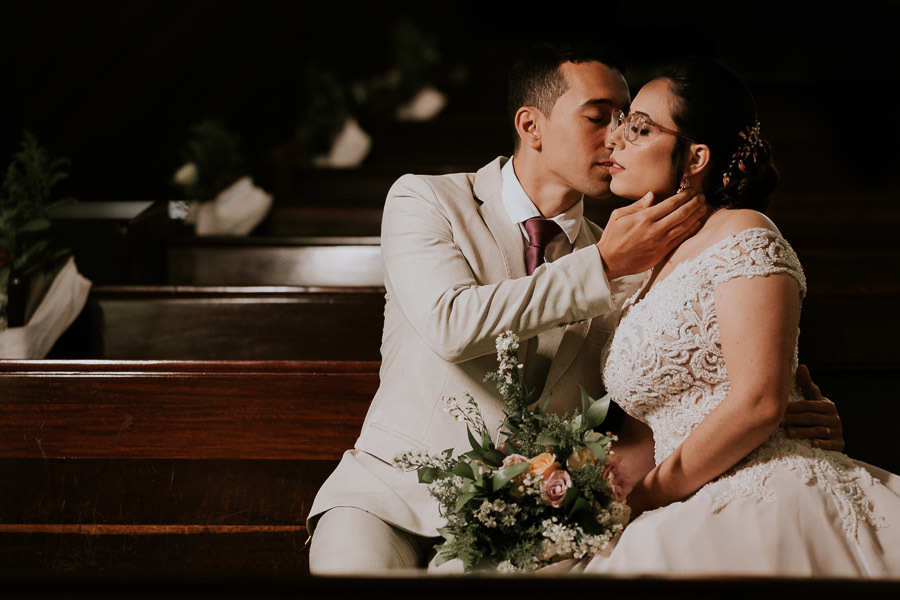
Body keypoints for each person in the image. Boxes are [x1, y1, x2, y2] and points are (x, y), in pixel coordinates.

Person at [306, 43, 844, 575]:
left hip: (528, 520)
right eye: (598, 117)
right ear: (530, 125)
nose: (615, 136)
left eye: (630, 121)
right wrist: (603, 265)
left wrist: (788, 418)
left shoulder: (635, 256)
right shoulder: (428, 202)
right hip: (390, 499)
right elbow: (452, 324)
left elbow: (664, 397)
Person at [560, 56, 900, 578]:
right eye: (624, 124)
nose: (617, 141)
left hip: (755, 491)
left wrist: (644, 499)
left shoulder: (745, 233)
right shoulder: (649, 263)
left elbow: (759, 401)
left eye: (641, 128)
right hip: (678, 493)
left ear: (696, 156)